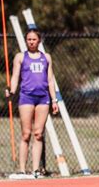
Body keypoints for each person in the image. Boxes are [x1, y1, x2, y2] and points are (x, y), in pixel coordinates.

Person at [6, 28, 59, 179]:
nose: (31, 42)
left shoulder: (46, 58)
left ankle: (36, 170)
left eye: (34, 39)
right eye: (29, 39)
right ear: (26, 40)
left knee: (38, 134)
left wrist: (54, 100)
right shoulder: (20, 57)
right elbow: (15, 76)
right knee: (26, 134)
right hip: (26, 97)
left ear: (39, 40)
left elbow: (50, 80)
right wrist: (11, 90)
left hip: (43, 98)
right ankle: (22, 170)